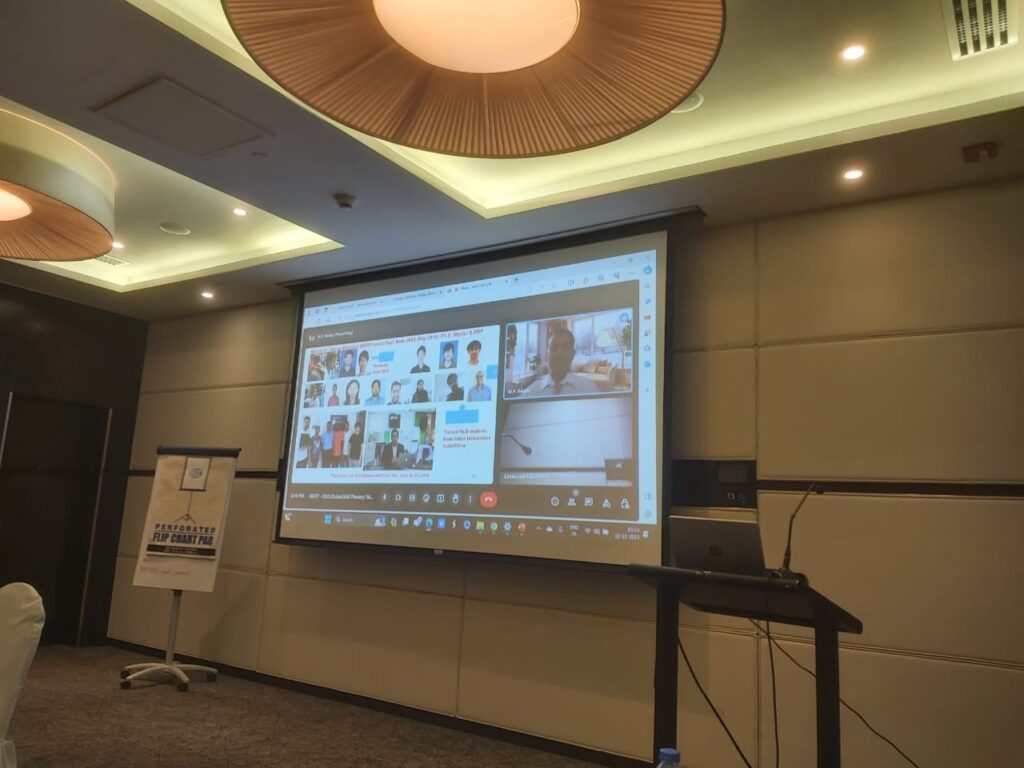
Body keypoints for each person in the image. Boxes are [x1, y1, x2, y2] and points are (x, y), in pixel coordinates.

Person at [525, 326, 598, 395]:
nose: (559, 353)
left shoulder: (588, 387)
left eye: (565, 347)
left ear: (573, 354)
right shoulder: (532, 390)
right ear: (547, 353)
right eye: (554, 347)